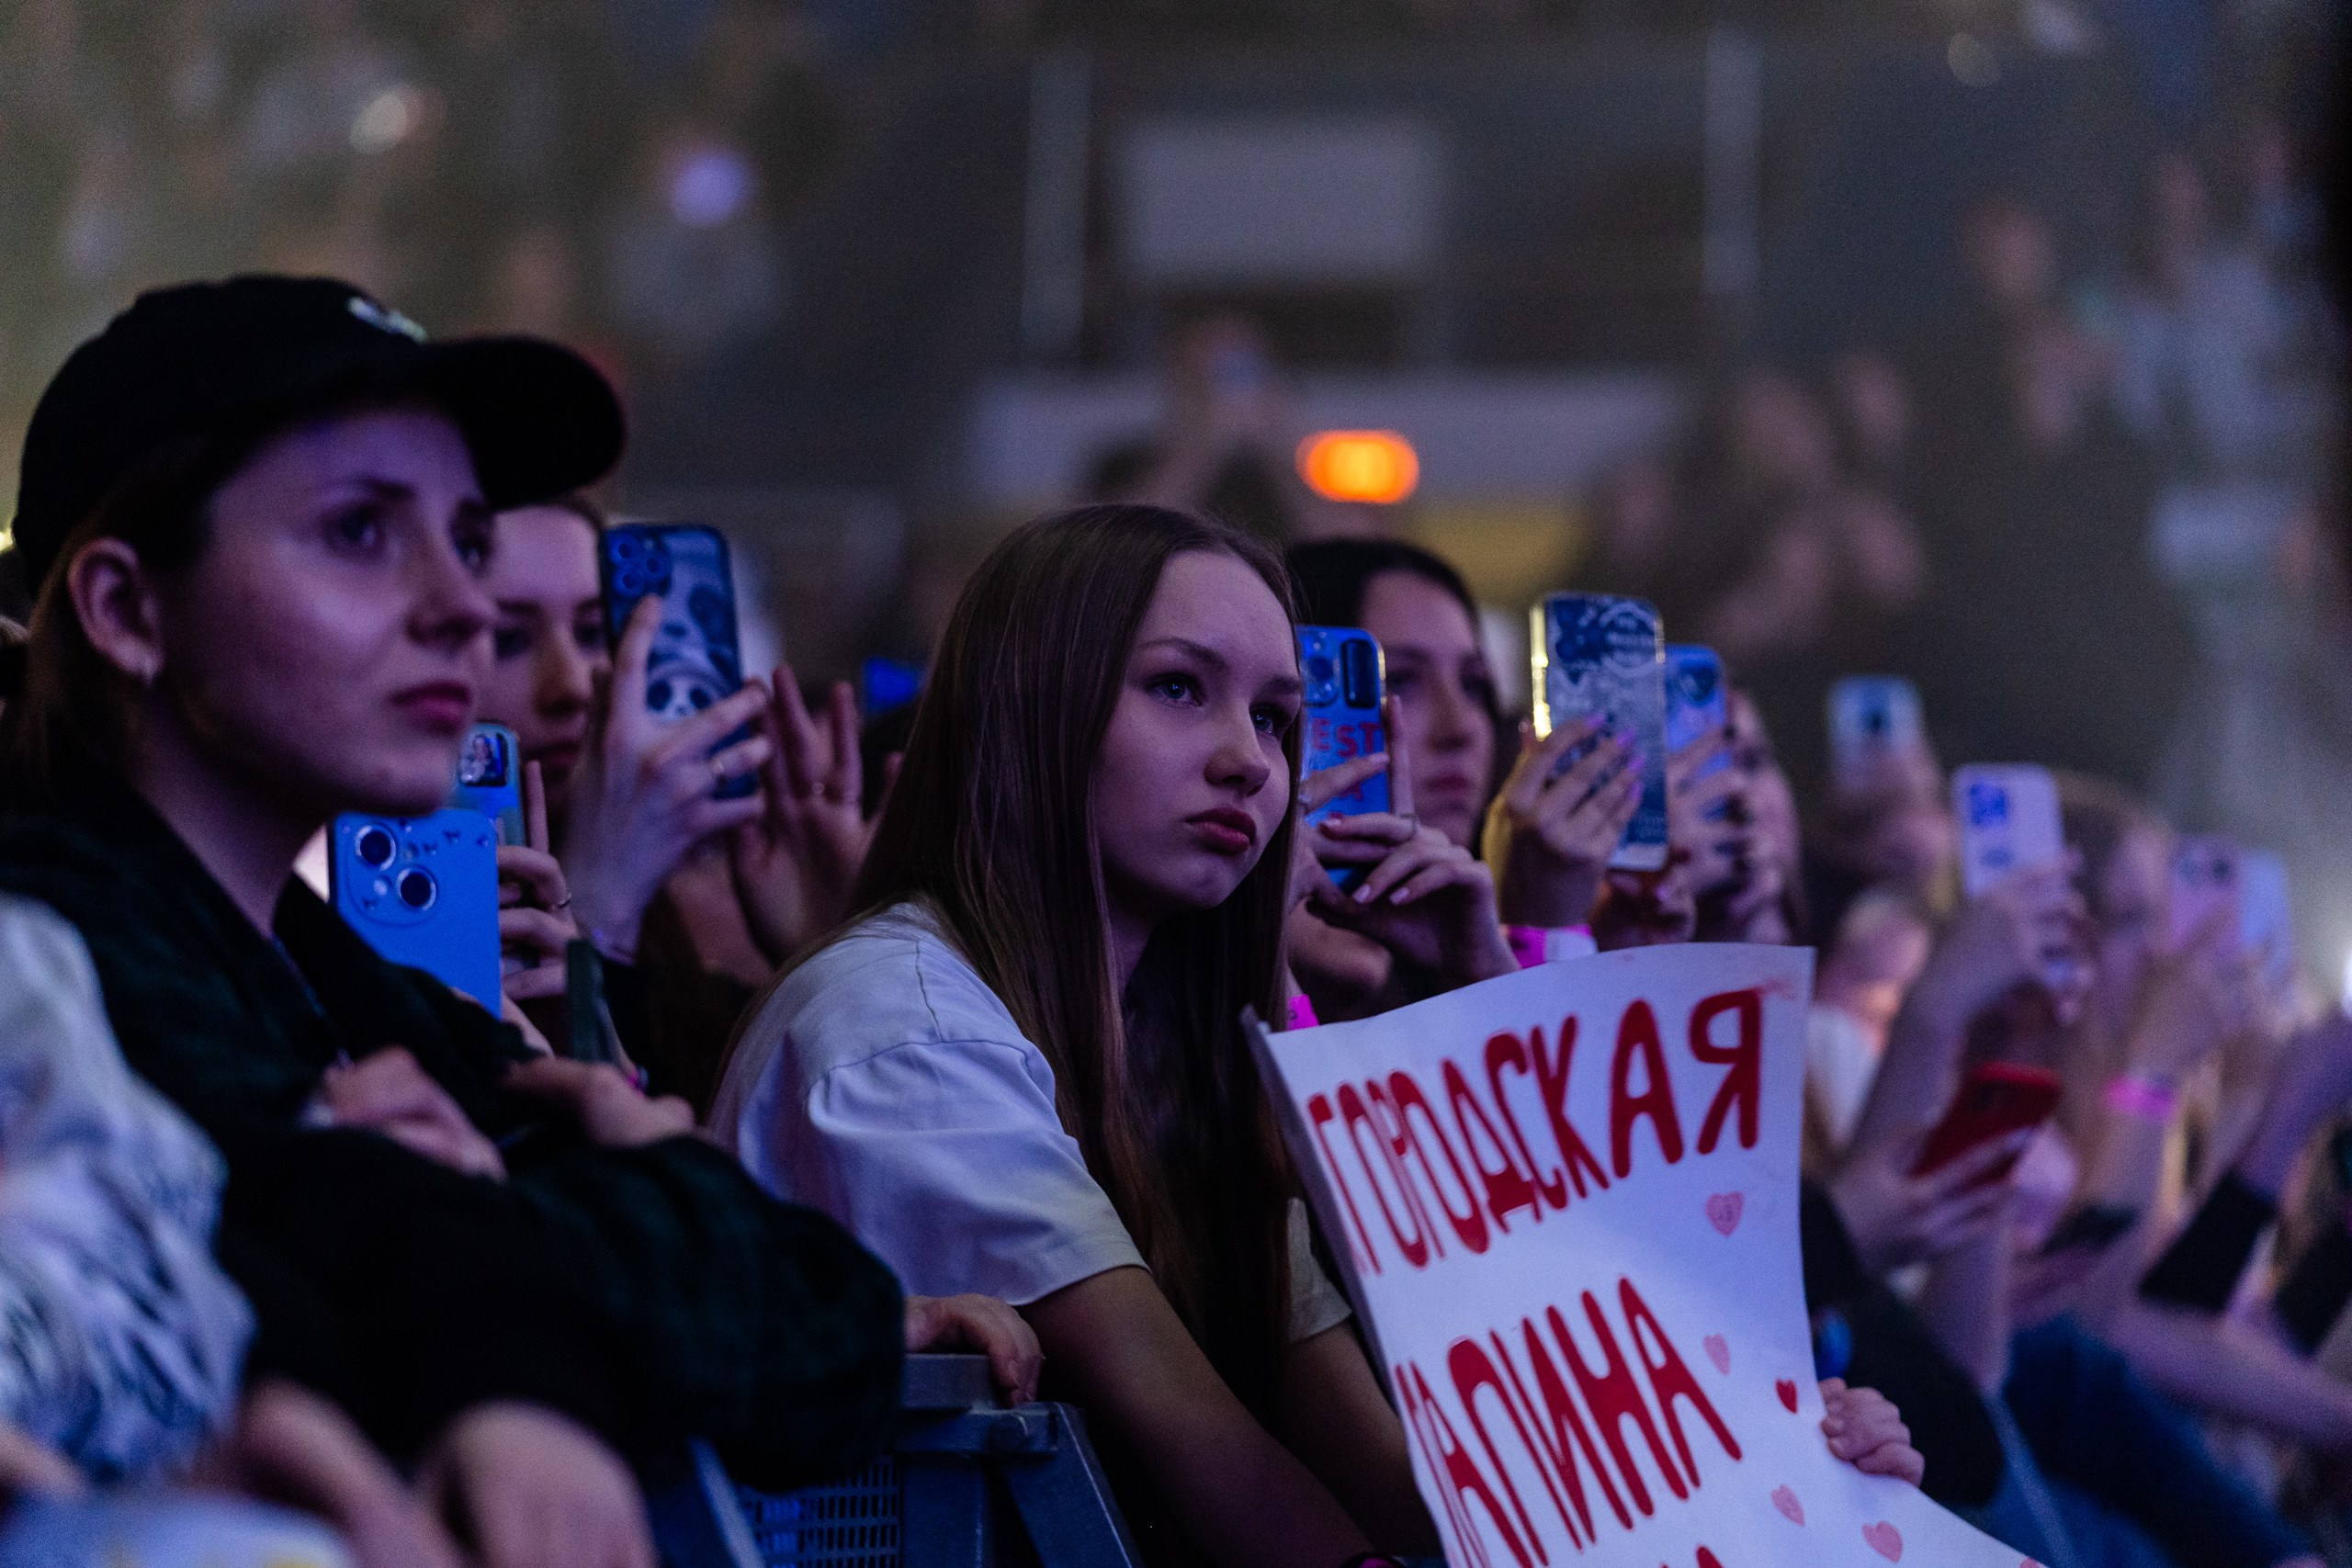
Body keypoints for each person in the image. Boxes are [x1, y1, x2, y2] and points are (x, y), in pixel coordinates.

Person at [0, 276, 1020, 1564]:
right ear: (127, 611)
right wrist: (628, 1184)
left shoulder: (348, 978)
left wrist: (544, 1211)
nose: (462, 608)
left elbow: (812, 1322)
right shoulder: (54, 947)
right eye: (361, 533)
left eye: (467, 539)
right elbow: (281, 1293)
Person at [715, 503, 1925, 1568]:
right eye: (1179, 689)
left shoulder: (1187, 1062)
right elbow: (1218, 1461)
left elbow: (1424, 1493)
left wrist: (1762, 1462)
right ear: (1031, 713)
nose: (1250, 760)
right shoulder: (905, 1027)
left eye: (1280, 716)